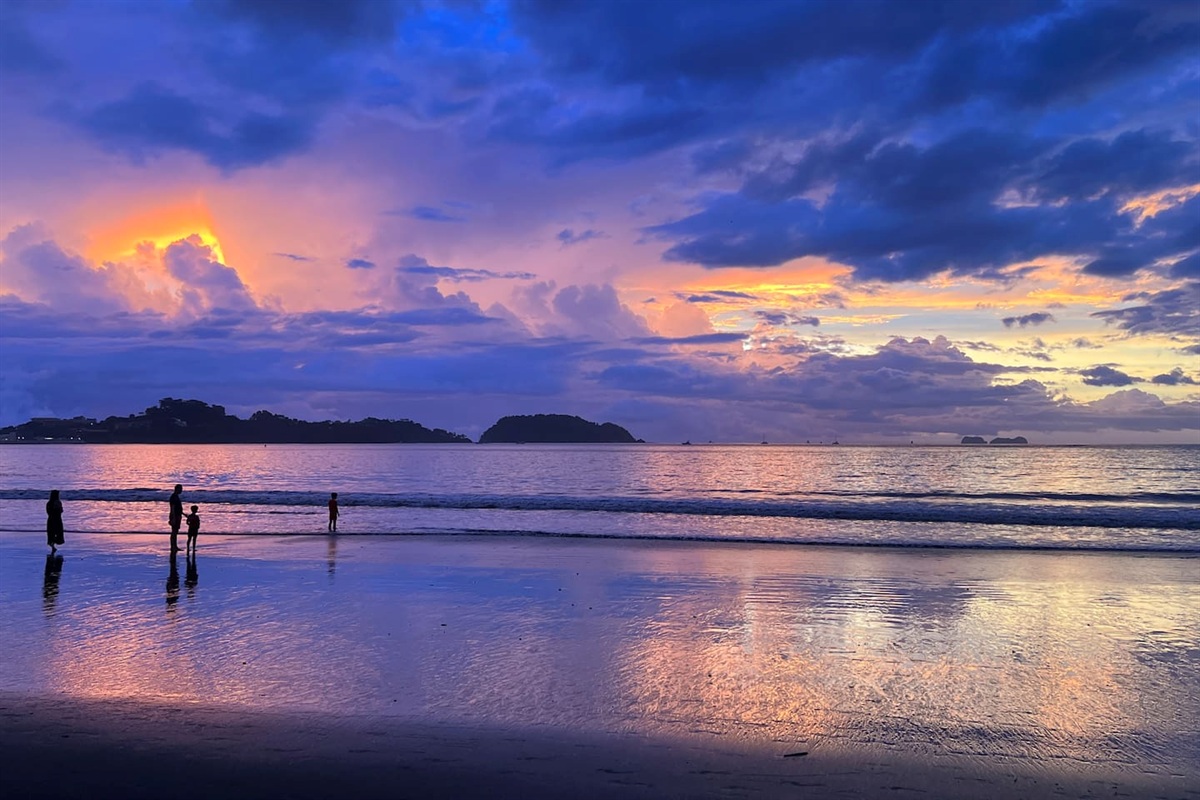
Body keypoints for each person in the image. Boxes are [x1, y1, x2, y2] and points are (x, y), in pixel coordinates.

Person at [168, 484, 183, 552]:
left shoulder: (175, 496)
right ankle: (173, 546)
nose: (181, 490)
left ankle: (174, 546)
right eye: (180, 489)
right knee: (174, 532)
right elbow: (172, 508)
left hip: (177, 515)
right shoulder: (173, 497)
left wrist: (183, 513)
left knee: (175, 531)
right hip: (175, 516)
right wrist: (173, 518)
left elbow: (177, 508)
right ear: (177, 489)